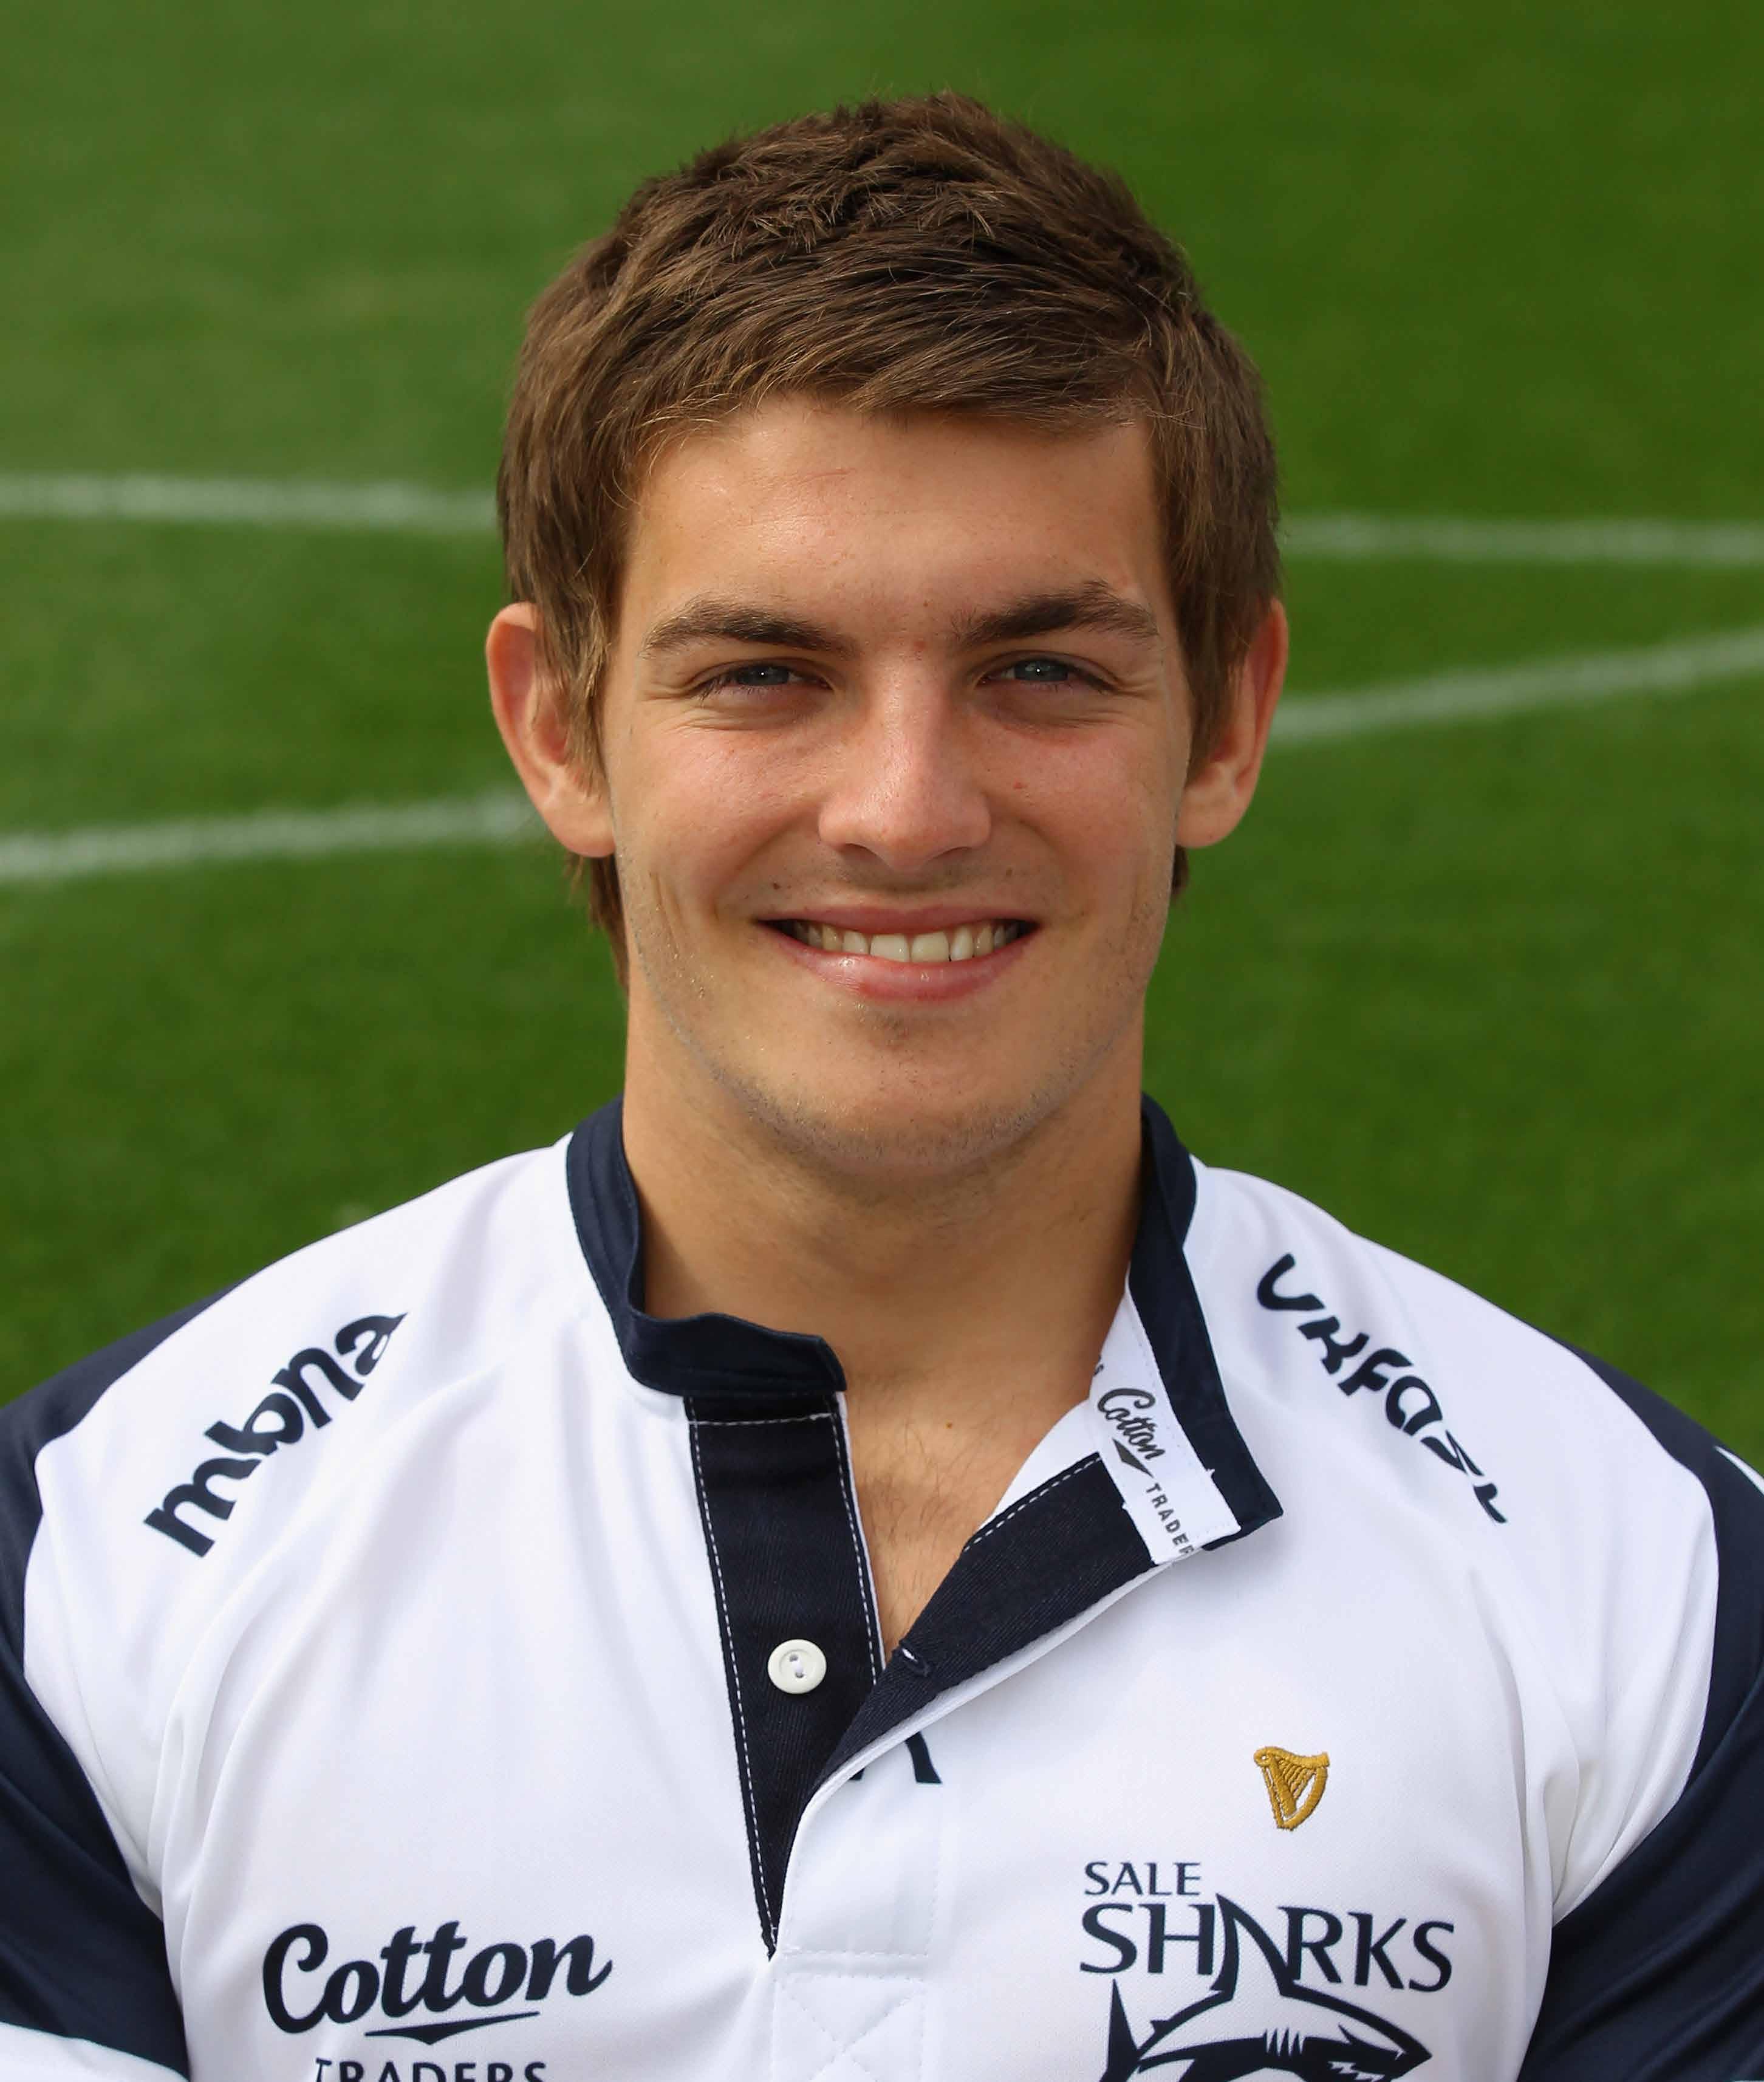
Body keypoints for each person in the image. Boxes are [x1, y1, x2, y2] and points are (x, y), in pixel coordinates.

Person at [1, 94, 1759, 2082]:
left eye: (1041, 671)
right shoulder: (92, 1570)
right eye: (766, 674)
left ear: (1226, 720)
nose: (906, 812)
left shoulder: (1655, 1596)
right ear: (560, 729)